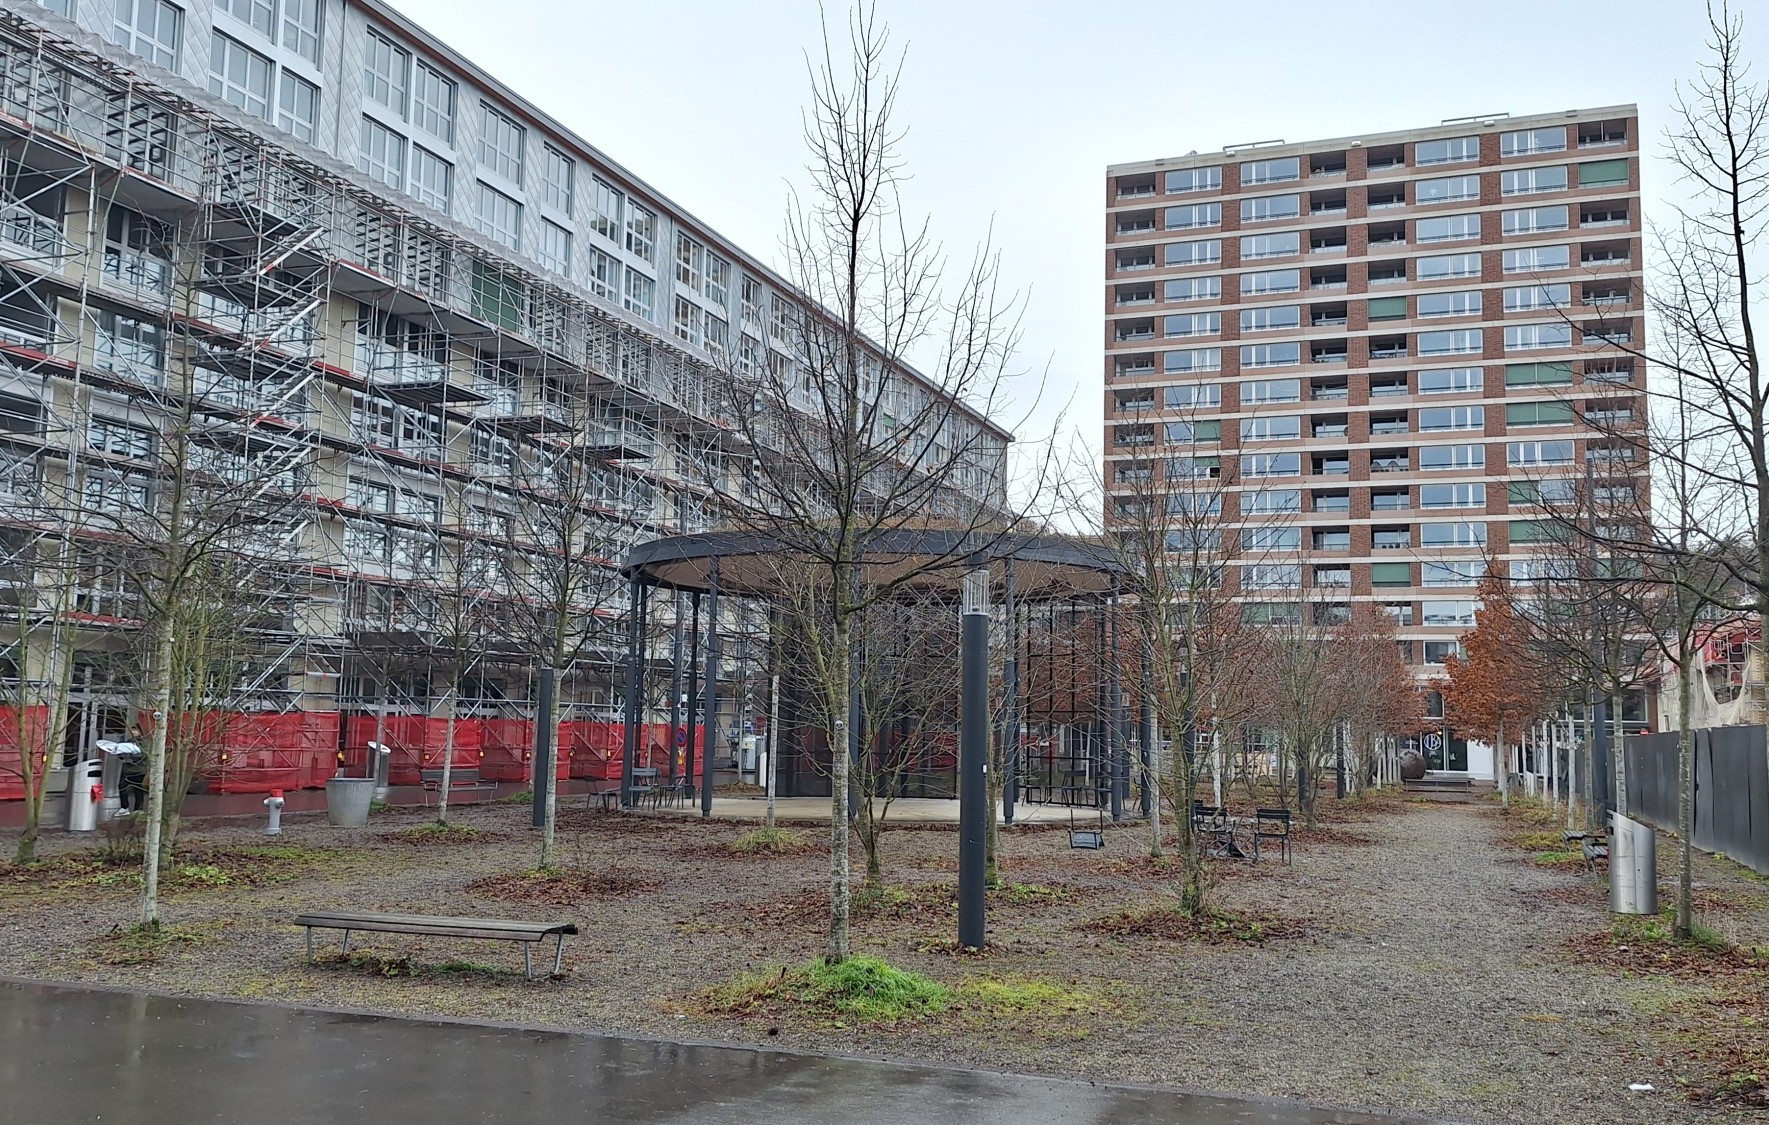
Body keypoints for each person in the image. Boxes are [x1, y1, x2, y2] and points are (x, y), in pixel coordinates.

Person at [113, 726, 147, 814]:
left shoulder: (144, 743)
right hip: (127, 769)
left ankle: (138, 809)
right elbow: (122, 753)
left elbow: (142, 755)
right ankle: (124, 807)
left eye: (135, 730)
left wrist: (130, 756)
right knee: (122, 787)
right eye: (132, 730)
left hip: (138, 770)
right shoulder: (129, 742)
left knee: (138, 789)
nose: (133, 732)